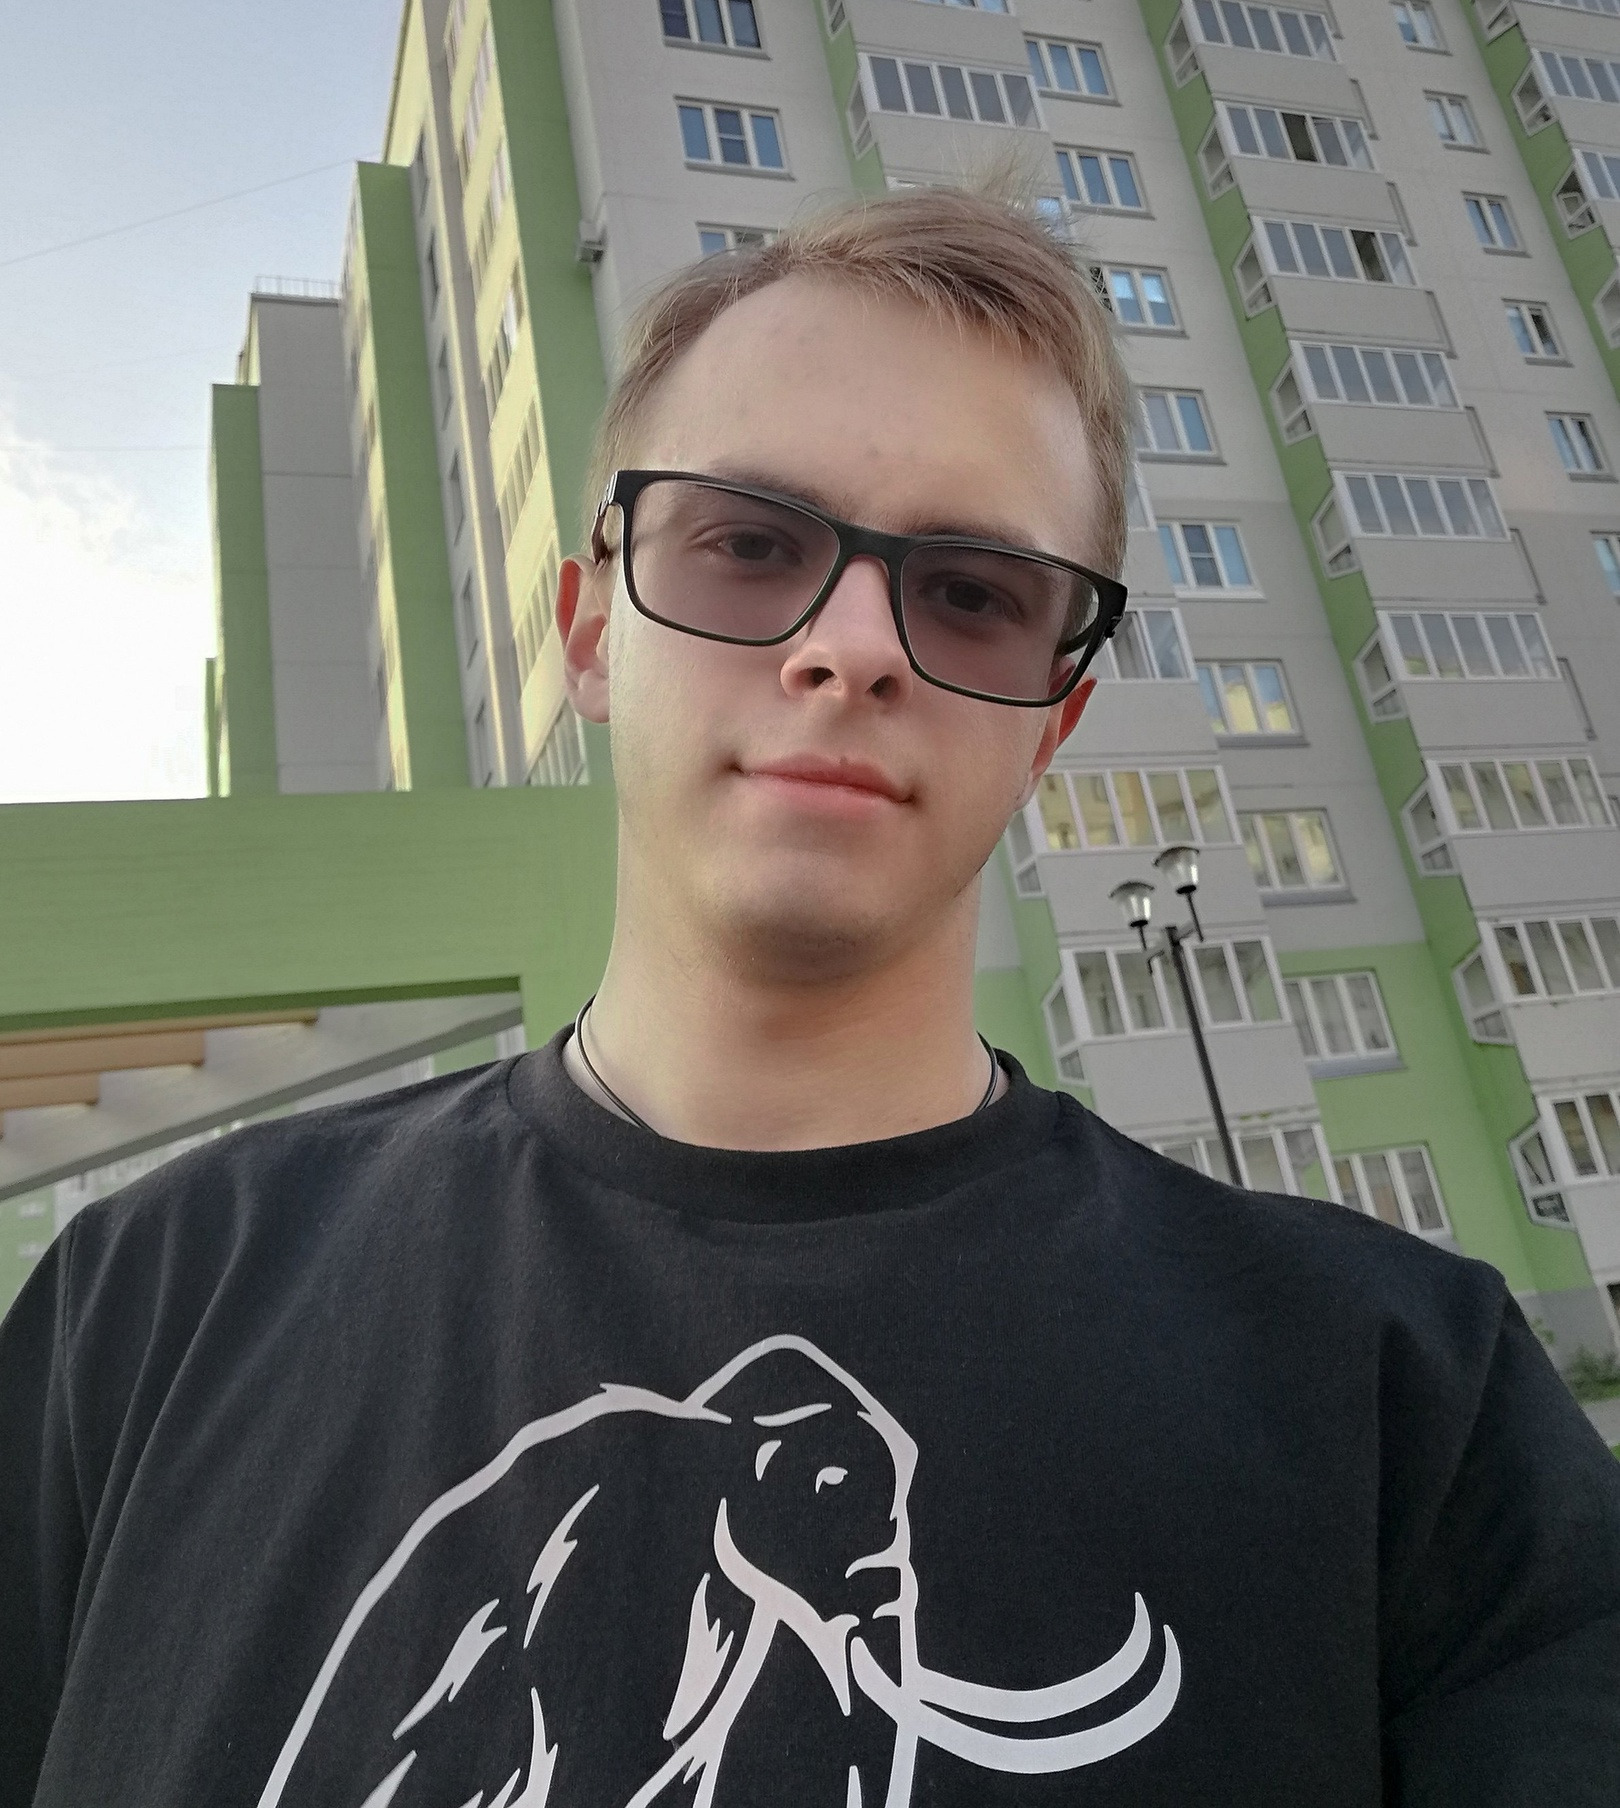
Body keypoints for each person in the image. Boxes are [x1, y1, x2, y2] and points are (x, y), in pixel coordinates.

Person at [2, 189, 1618, 1808]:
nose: (853, 650)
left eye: (973, 591)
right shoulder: (147, 1308)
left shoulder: (1413, 1404)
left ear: (1050, 729)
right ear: (589, 633)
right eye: (749, 544)